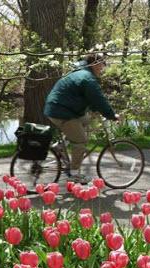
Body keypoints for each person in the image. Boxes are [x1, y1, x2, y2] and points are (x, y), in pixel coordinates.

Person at [44, 53, 119, 184]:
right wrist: (112, 115)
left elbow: (85, 97)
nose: (103, 67)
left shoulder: (81, 72)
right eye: (102, 64)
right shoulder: (88, 78)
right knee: (81, 141)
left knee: (86, 119)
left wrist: (94, 109)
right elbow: (99, 99)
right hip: (62, 112)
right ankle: (74, 174)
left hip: (58, 108)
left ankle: (60, 146)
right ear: (95, 64)